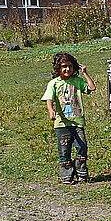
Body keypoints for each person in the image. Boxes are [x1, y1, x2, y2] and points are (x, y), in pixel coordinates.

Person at [41, 52, 96, 184]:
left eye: (70, 66)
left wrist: (85, 73)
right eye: (64, 66)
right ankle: (66, 176)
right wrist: (51, 110)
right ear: (58, 68)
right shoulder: (53, 83)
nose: (67, 69)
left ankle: (82, 173)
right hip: (62, 123)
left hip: (77, 122)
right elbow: (49, 98)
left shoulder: (77, 81)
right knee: (64, 150)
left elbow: (92, 88)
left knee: (81, 147)